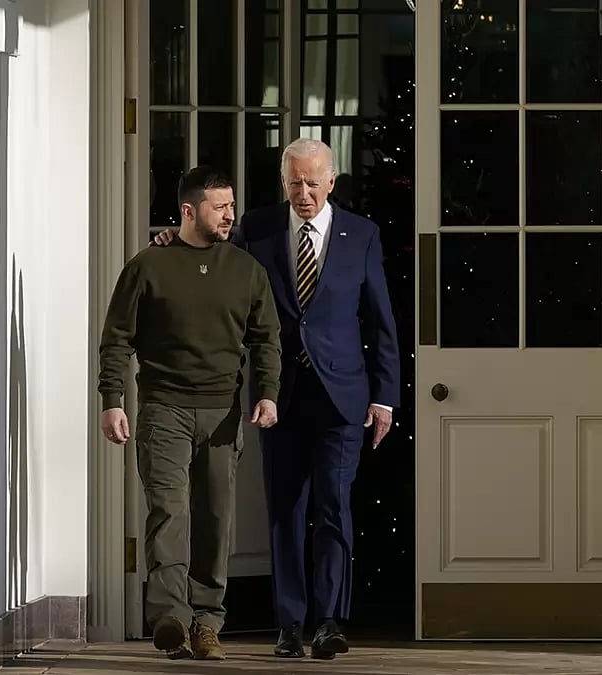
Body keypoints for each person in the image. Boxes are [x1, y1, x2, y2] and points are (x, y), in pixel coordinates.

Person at [153, 138, 400, 660]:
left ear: (332, 181)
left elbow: (381, 323)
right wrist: (172, 240)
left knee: (334, 509)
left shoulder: (363, 236)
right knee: (285, 511)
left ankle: (329, 621)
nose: (304, 193)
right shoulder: (257, 229)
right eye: (295, 182)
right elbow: (210, 252)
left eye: (314, 183)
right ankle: (289, 624)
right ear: (283, 182)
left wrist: (385, 398)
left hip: (343, 396)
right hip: (279, 396)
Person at [99, 166, 282, 661]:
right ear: (188, 210)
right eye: (219, 206)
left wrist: (267, 394)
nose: (230, 214)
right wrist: (112, 400)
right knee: (169, 515)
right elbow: (117, 339)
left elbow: (266, 339)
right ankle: (171, 619)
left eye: (231, 204)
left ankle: (207, 624)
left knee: (216, 519)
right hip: (163, 411)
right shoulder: (148, 267)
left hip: (223, 412)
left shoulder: (245, 270)